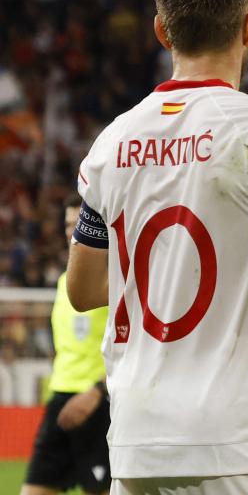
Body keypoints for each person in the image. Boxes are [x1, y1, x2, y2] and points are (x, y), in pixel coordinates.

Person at [65, 0, 248, 494]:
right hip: (241, 440)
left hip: (139, 439)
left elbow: (84, 287)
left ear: (162, 31)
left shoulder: (110, 142)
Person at [22, 194, 110, 495]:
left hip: (99, 403)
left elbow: (131, 347)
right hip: (61, 398)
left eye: (80, 224)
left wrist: (98, 392)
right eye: (68, 224)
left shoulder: (116, 281)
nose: (73, 231)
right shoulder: (64, 283)